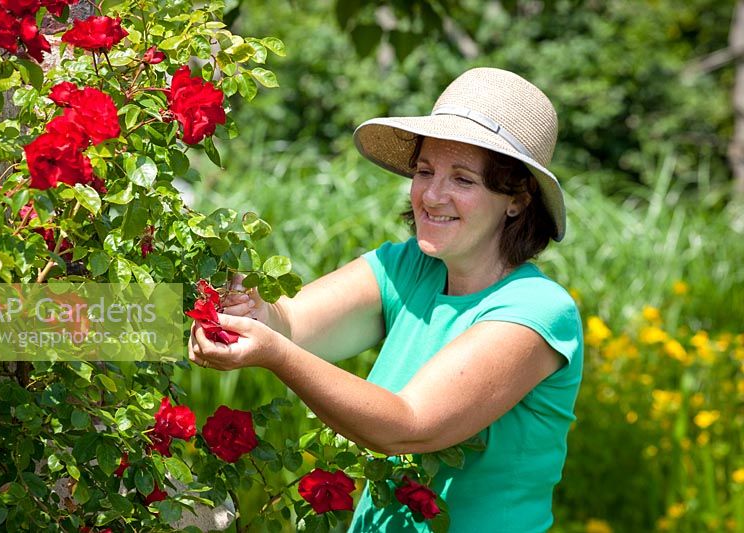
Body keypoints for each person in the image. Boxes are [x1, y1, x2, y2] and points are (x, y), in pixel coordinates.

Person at [188, 67, 583, 532]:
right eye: (425, 171)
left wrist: (274, 354)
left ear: (516, 199)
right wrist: (249, 312)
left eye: (463, 180)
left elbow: (408, 426)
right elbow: (288, 322)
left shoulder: (537, 311)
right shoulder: (407, 266)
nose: (432, 196)